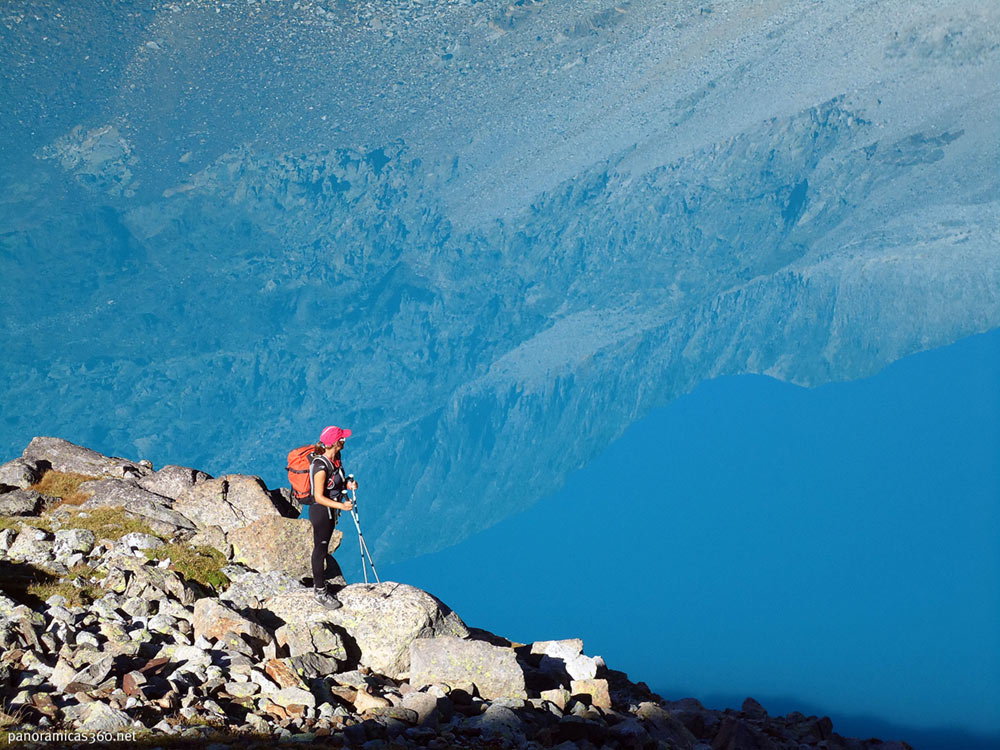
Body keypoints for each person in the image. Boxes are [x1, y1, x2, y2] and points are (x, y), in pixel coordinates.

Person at [308, 425, 357, 609]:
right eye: (342, 439)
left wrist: (349, 484)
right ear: (337, 443)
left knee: (324, 547)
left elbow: (336, 482)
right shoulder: (319, 466)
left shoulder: (336, 458)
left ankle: (321, 585)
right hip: (321, 513)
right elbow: (318, 496)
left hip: (331, 511)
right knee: (320, 550)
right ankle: (320, 592)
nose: (345, 441)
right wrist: (341, 506)